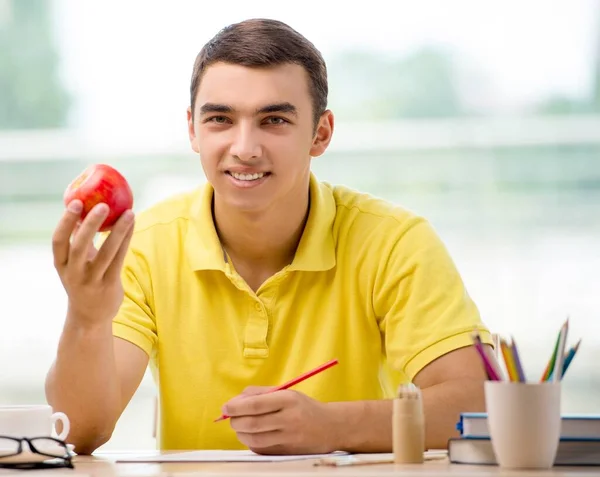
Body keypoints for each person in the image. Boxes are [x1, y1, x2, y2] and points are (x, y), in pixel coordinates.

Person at [45, 18, 497, 456]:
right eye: (220, 119)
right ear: (192, 131)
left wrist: (332, 426)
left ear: (320, 134)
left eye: (274, 120)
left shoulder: (395, 242)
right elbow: (78, 433)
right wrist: (86, 319)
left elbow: (481, 405)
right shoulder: (146, 243)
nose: (245, 148)